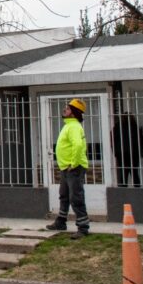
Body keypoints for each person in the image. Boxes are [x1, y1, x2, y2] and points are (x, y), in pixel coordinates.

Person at [46, 98, 90, 239]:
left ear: (74, 113)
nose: (64, 109)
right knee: (64, 195)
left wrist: (73, 163)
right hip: (67, 167)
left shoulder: (74, 127)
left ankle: (83, 228)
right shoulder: (68, 125)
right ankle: (61, 222)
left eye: (68, 108)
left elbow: (78, 146)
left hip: (73, 168)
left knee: (75, 197)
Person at [111, 112, 143, 187]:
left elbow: (113, 140)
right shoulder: (134, 127)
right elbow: (141, 140)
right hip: (133, 153)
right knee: (134, 172)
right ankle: (137, 190)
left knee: (123, 173)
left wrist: (115, 151)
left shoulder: (117, 127)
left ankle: (122, 191)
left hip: (121, 154)